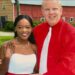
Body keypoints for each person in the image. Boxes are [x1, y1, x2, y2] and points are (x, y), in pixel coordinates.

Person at [33, 0, 75, 75]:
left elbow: (68, 64)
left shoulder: (71, 33)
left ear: (61, 10)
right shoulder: (37, 30)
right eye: (47, 9)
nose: (51, 12)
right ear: (42, 11)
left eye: (54, 9)